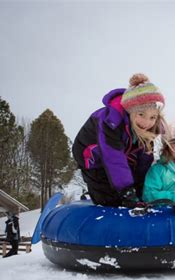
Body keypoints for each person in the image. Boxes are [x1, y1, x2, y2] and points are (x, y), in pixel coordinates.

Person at [72, 73, 168, 208]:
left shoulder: (147, 129)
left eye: (152, 117)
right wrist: (126, 191)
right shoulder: (111, 122)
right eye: (141, 114)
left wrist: (140, 189)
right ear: (130, 111)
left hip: (124, 152)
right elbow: (113, 157)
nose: (147, 122)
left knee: (133, 184)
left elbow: (144, 160)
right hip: (93, 155)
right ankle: (99, 197)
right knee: (110, 198)